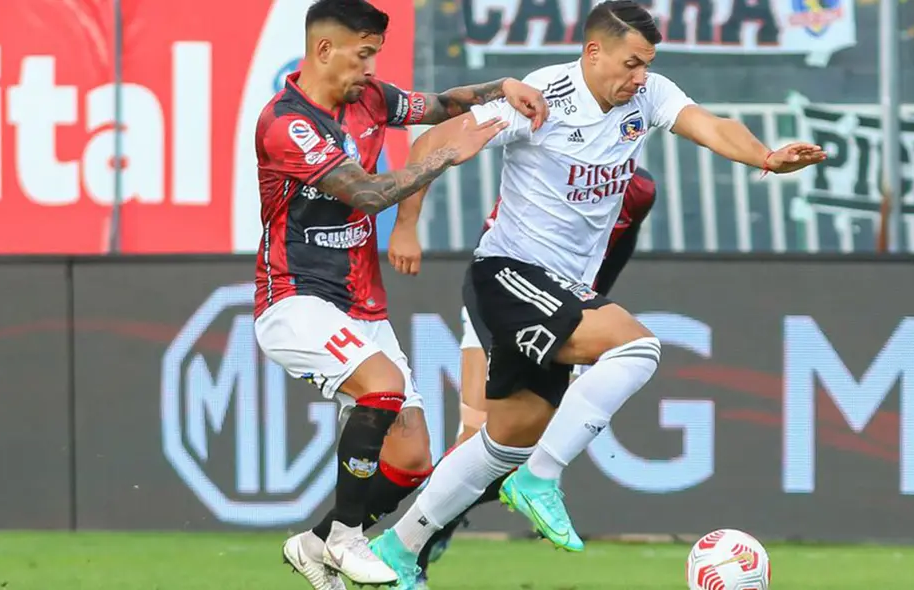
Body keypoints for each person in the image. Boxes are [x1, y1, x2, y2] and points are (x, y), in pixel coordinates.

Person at [370, 1, 825, 587]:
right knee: (637, 349)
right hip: (510, 273)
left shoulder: (648, 95)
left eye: (647, 65)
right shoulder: (540, 98)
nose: (640, 76)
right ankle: (541, 477)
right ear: (593, 52)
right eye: (631, 63)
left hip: (556, 288)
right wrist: (405, 224)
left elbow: (710, 126)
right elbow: (439, 139)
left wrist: (765, 155)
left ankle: (397, 550)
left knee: (503, 441)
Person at [250, 0, 548, 588]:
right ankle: (345, 538)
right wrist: (441, 156)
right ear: (324, 49)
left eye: (376, 54)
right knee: (382, 387)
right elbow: (366, 193)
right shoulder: (287, 123)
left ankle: (311, 546)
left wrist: (502, 87)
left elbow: (436, 105)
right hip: (294, 298)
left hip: (361, 304)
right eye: (364, 54)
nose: (371, 66)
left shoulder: (371, 99)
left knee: (411, 460)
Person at [388, 168, 658, 584]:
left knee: (509, 444)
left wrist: (594, 313)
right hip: (501, 292)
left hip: (565, 302)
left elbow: (614, 253)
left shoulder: (637, 190)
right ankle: (408, 543)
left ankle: (421, 533)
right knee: (479, 431)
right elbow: (494, 249)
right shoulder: (550, 163)